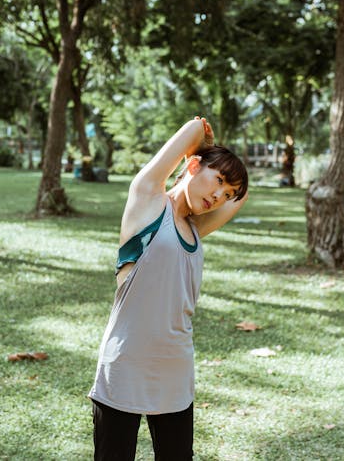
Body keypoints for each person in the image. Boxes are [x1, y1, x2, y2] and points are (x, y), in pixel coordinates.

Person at [88, 116, 249, 460]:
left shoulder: (195, 229)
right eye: (218, 180)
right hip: (125, 365)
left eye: (226, 191)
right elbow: (194, 129)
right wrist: (208, 149)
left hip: (176, 371)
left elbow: (241, 199)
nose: (220, 195)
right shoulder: (148, 200)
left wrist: (218, 169)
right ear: (192, 164)